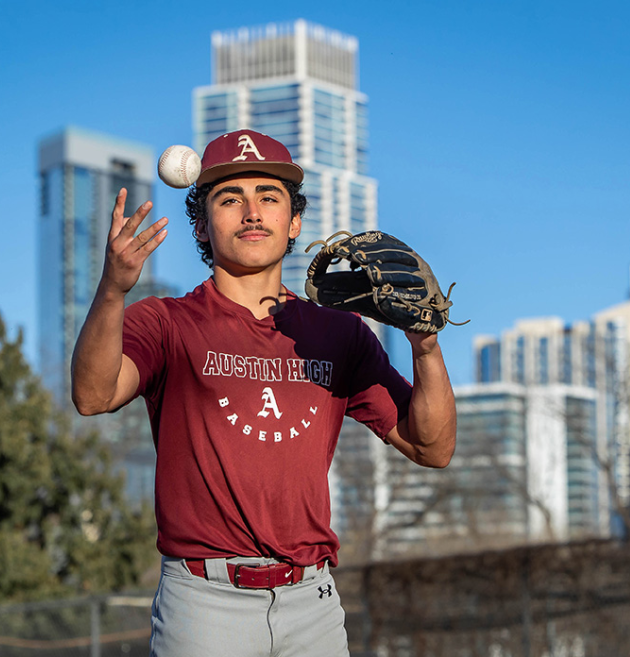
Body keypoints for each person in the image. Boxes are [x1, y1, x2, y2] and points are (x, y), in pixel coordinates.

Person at [71, 129, 456, 656]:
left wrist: (426, 345)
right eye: (230, 199)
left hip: (313, 603)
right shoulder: (166, 322)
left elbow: (432, 447)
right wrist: (113, 289)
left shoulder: (339, 333)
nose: (252, 212)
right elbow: (93, 395)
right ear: (202, 227)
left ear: (293, 221)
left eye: (269, 197)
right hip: (206, 604)